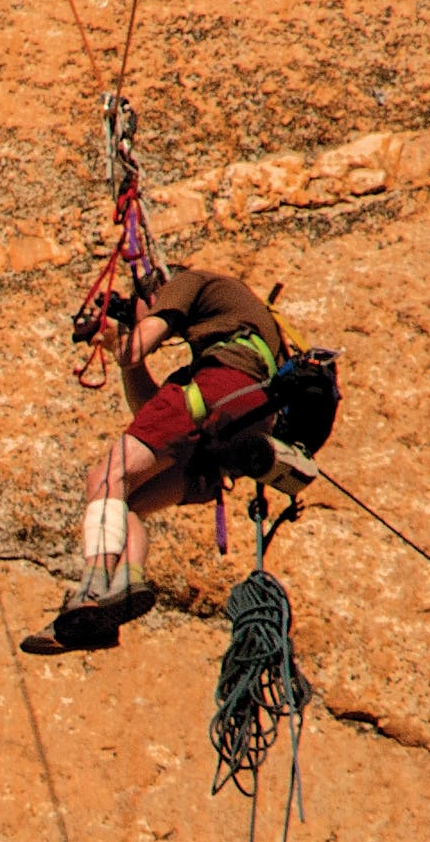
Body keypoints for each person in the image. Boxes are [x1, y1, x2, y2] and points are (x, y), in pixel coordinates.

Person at [56, 260, 294, 643]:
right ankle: (125, 584)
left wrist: (126, 335)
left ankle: (92, 587)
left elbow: (137, 348)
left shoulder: (189, 282)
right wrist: (126, 350)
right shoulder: (239, 321)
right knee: (124, 498)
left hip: (219, 391)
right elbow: (154, 419)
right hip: (237, 426)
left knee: (104, 477)